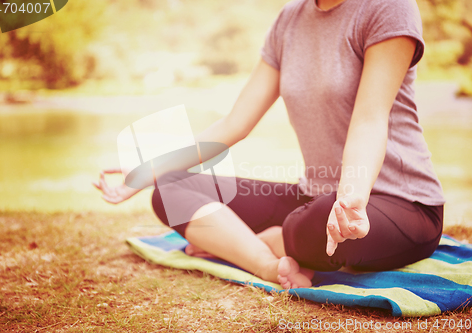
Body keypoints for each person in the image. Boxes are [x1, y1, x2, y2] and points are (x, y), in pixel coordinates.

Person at [94, 0, 445, 289]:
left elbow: (370, 118)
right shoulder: (289, 21)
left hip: (400, 205)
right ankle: (266, 263)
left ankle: (256, 240)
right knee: (169, 190)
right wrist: (145, 171)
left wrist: (351, 198)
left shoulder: (388, 7)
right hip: (314, 197)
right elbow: (234, 124)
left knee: (313, 223)